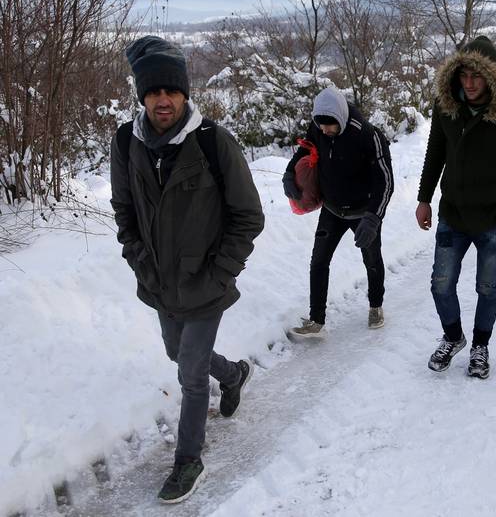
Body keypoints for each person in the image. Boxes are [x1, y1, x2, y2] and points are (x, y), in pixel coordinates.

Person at [110, 36, 265, 503]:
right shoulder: (127, 141)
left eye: (171, 91)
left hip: (207, 282)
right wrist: (139, 259)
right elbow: (124, 210)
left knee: (191, 374)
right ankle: (235, 374)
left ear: (184, 94)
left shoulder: (212, 143)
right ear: (143, 96)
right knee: (178, 352)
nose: (163, 100)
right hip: (159, 282)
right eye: (153, 91)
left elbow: (248, 215)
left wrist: (222, 272)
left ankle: (188, 459)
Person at [415, 35, 496, 379]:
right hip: (452, 213)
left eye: (477, 76)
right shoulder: (445, 107)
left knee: (487, 287)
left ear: (491, 77)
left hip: (491, 218)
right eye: (464, 75)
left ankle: (480, 346)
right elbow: (434, 155)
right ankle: (453, 337)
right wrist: (424, 199)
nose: (469, 84)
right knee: (441, 284)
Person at [283, 87, 394, 337]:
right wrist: (290, 172)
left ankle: (376, 305)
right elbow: (305, 149)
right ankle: (316, 319)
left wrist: (373, 218)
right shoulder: (319, 126)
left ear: (341, 119)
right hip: (332, 208)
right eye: (320, 125)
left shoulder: (367, 135)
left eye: (330, 125)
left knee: (372, 260)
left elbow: (385, 181)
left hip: (362, 211)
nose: (325, 130)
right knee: (319, 261)